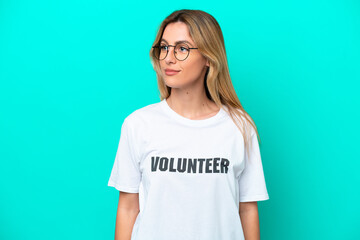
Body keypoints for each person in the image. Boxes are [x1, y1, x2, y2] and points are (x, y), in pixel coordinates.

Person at [108, 9, 269, 240]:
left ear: (208, 57)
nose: (169, 58)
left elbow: (247, 209)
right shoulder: (138, 125)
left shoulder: (240, 127)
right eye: (164, 47)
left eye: (182, 48)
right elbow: (128, 207)